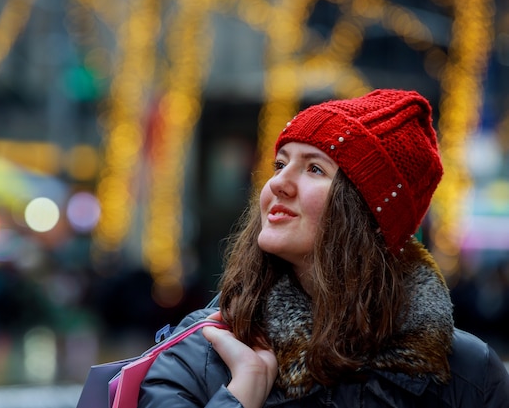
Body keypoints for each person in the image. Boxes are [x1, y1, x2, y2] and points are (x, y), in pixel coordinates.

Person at [138, 89, 509, 407]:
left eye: (314, 169)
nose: (279, 183)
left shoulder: (469, 374)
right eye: (280, 164)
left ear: (368, 211)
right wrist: (238, 398)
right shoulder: (205, 349)